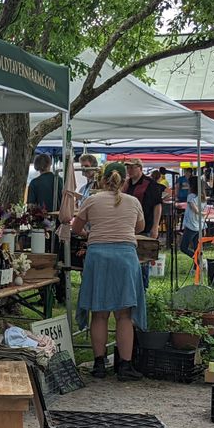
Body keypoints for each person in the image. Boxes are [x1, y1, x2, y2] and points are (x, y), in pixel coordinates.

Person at [72, 162, 146, 381]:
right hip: (125, 258)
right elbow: (140, 227)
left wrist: (91, 234)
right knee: (124, 315)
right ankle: (125, 366)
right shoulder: (133, 202)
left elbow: (76, 228)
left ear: (102, 179)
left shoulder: (91, 200)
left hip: (98, 257)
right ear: (125, 181)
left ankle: (99, 365)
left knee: (99, 312)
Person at [123, 158, 162, 289]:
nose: (129, 170)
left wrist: (155, 226)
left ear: (140, 168)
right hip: (129, 227)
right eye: (128, 168)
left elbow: (157, 205)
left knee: (143, 260)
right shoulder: (126, 184)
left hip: (145, 227)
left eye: (132, 167)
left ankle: (143, 288)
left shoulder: (149, 184)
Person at [180, 176, 206, 258]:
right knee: (197, 248)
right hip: (199, 225)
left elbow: (195, 210)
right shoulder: (203, 197)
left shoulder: (191, 196)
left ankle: (196, 259)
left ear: (192, 185)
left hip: (191, 225)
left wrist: (201, 213)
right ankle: (198, 263)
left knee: (183, 247)